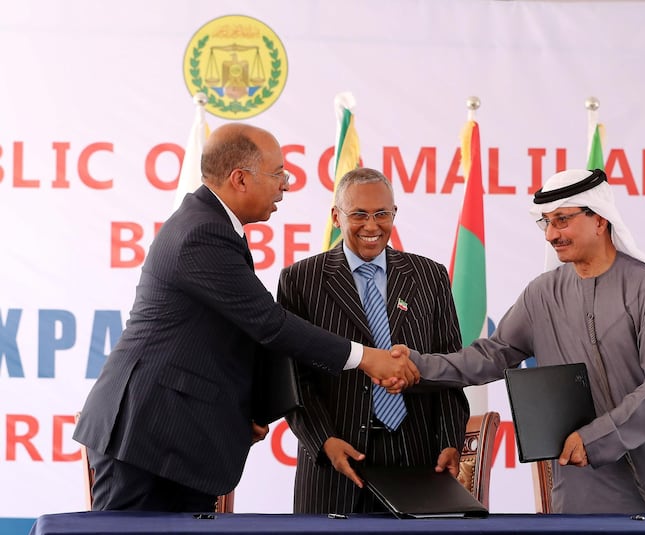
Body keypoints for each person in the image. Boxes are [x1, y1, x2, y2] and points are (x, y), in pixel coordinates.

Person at [72, 123, 418, 512]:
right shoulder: (202, 234)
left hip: (175, 436)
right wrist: (366, 357)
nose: (285, 186)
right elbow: (269, 325)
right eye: (277, 175)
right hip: (147, 436)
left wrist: (246, 409)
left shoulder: (213, 226)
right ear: (240, 179)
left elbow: (231, 335)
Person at [398, 168, 645, 515]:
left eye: (562, 220)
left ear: (599, 220)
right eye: (546, 223)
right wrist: (415, 367)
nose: (551, 235)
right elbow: (490, 355)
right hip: (584, 487)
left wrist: (595, 437)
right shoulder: (543, 294)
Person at [278, 167, 469, 514]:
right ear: (336, 217)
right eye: (359, 215)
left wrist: (450, 442)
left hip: (419, 463)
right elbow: (292, 377)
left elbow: (449, 368)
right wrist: (324, 443)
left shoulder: (430, 276)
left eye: (382, 214)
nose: (372, 226)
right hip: (335, 467)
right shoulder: (300, 280)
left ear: (394, 214)